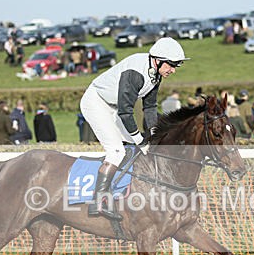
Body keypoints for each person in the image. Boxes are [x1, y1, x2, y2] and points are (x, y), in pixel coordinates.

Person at [79, 37, 188, 220]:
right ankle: (97, 201)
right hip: (96, 102)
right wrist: (141, 140)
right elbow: (125, 112)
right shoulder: (135, 73)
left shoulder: (156, 73)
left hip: (114, 107)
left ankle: (122, 192)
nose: (173, 70)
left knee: (134, 146)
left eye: (176, 65)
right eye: (171, 65)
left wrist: (153, 134)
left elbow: (150, 107)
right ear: (157, 59)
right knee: (116, 151)